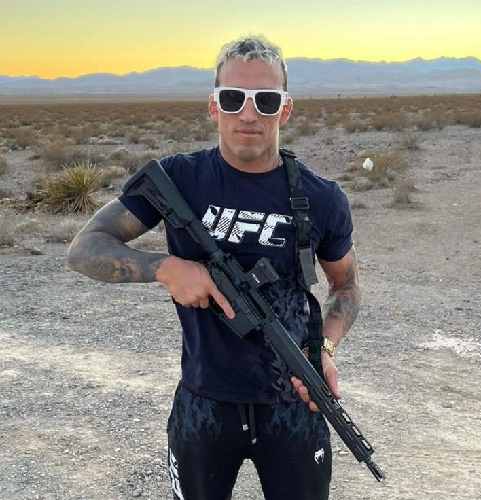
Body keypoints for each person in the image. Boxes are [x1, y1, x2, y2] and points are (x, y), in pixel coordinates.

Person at [67, 36, 360, 500]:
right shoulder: (179, 179)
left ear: (285, 110)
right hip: (203, 404)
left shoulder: (321, 197)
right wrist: (166, 268)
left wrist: (322, 347)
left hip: (292, 403)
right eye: (233, 98)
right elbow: (84, 249)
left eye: (266, 100)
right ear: (213, 106)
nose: (249, 114)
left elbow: (345, 287)